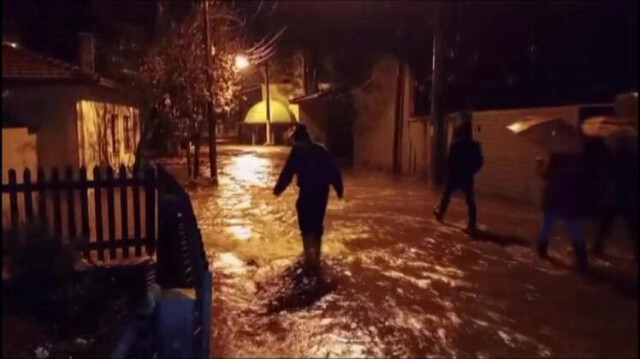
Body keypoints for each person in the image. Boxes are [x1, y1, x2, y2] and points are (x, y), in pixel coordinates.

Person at [273, 124, 343, 270]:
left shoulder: (303, 151)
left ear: (299, 140)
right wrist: (339, 190)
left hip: (312, 194)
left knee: (310, 227)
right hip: (315, 194)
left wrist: (278, 190)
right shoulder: (318, 150)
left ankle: (311, 257)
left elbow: (288, 173)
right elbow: (334, 172)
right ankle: (313, 258)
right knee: (312, 226)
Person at [535, 152, 589, 271]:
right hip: (569, 198)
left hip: (553, 197)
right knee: (572, 226)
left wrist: (539, 165)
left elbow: (546, 176)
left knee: (547, 225)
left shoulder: (557, 156)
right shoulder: (579, 157)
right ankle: (581, 257)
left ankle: (542, 251)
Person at [433, 120, 484, 236]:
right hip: (467, 177)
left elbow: (449, 161)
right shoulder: (475, 145)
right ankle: (472, 224)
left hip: (454, 176)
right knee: (470, 201)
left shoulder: (455, 144)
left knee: (446, 196)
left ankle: (440, 215)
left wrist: (450, 173)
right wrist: (472, 171)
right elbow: (480, 162)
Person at [592, 137, 638, 260]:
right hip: (628, 197)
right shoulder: (633, 159)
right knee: (632, 226)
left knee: (606, 224)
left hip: (615, 196)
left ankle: (597, 247)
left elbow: (607, 174)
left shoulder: (614, 159)